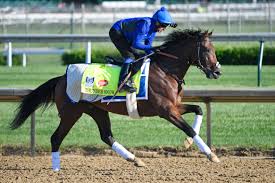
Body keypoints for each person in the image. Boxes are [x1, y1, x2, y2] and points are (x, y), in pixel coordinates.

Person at [109, 7, 177, 93]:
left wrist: (154, 54)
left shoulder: (153, 30)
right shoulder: (145, 24)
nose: (164, 28)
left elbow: (147, 46)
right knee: (130, 56)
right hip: (117, 32)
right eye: (163, 25)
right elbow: (136, 44)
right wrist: (152, 48)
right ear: (156, 22)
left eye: (166, 26)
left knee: (140, 57)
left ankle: (118, 65)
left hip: (126, 36)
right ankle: (122, 82)